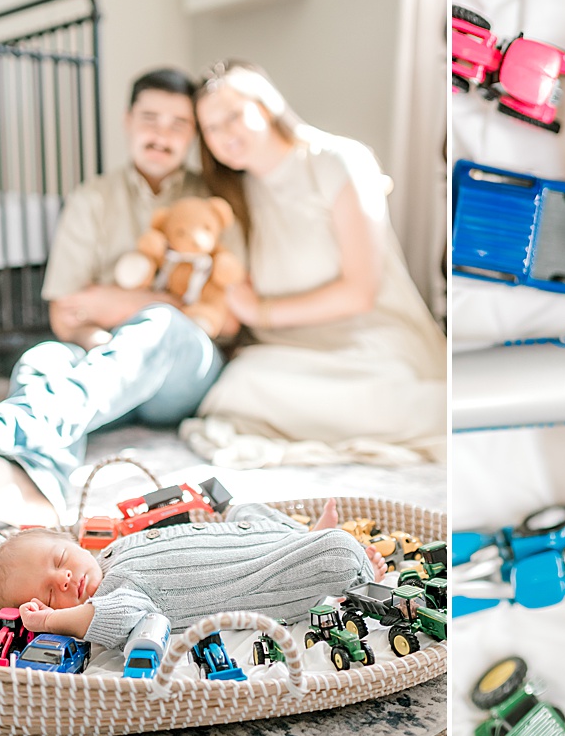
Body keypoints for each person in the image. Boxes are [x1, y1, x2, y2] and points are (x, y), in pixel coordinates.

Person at [0, 69, 241, 526]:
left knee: (161, 323)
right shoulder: (93, 198)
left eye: (178, 123)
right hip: (106, 358)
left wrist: (119, 302)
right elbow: (66, 311)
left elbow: (227, 319)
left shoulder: (214, 199)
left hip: (182, 370)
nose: (161, 134)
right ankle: (33, 491)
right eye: (150, 118)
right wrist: (105, 333)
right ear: (128, 120)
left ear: (194, 133)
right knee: (44, 354)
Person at [184, 62, 445, 462]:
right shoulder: (233, 194)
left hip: (369, 340)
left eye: (233, 116)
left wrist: (263, 312)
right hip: (291, 353)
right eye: (211, 128)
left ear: (267, 106)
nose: (225, 136)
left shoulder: (337, 160)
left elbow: (360, 293)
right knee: (239, 384)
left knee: (406, 399)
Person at [0, 499, 383, 651]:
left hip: (249, 539)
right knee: (340, 551)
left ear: (72, 542)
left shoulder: (111, 551)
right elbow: (110, 621)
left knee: (246, 509)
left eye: (60, 559)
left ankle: (304, 536)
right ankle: (358, 572)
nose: (65, 579)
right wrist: (50, 620)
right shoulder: (116, 596)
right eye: (51, 594)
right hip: (264, 577)